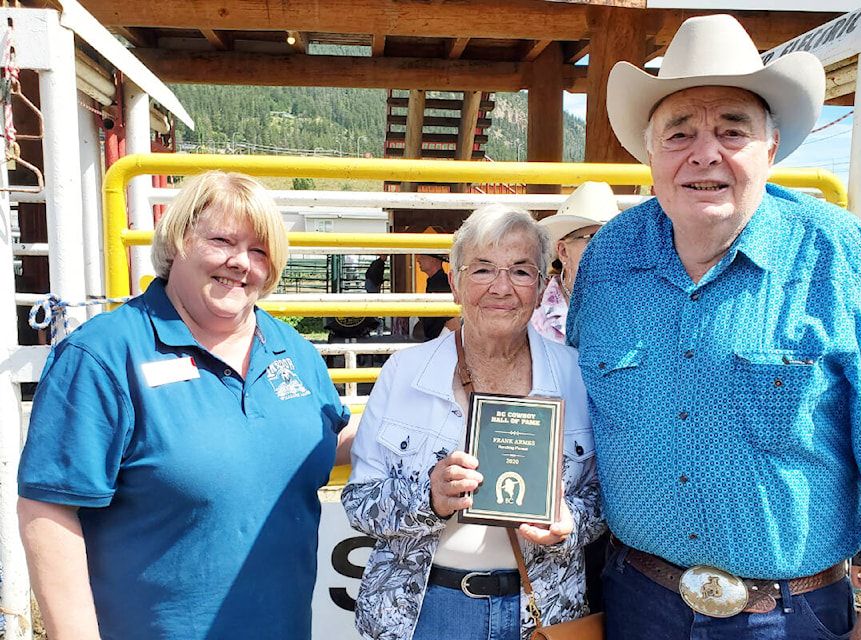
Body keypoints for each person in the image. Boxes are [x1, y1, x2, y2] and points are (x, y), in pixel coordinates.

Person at [567, 14, 861, 640]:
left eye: (732, 130)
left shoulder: (839, 257)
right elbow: (579, 420)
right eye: (680, 133)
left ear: (770, 149)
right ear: (650, 153)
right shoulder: (610, 257)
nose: (705, 152)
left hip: (790, 615)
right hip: (636, 600)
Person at [17, 171, 351, 640]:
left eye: (259, 250)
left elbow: (320, 441)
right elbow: (48, 510)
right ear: (177, 241)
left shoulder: (291, 350)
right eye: (222, 241)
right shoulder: (106, 355)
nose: (241, 262)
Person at [342, 205, 605, 640]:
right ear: (456, 284)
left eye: (521, 272)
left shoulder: (577, 376)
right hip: (423, 610)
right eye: (482, 269)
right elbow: (358, 503)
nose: (502, 287)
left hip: (543, 610)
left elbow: (604, 497)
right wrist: (429, 497)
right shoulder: (405, 372)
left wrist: (569, 521)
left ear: (542, 288)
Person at [532, 181, 619, 344]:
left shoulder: (633, 305)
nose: (609, 249)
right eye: (595, 239)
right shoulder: (532, 311)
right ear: (563, 252)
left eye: (616, 239)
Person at [415, 253, 457, 340]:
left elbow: (453, 320)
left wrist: (441, 342)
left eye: (422, 257)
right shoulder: (434, 281)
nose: (418, 260)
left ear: (432, 260)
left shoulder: (442, 283)